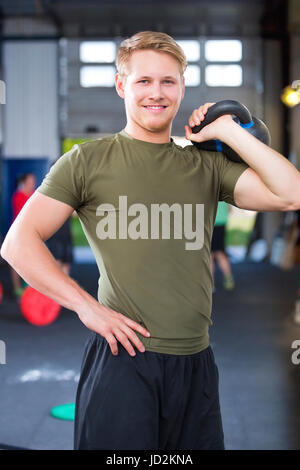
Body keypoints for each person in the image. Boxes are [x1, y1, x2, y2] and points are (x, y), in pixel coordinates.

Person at [1, 31, 300, 450]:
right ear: (122, 85)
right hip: (123, 362)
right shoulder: (86, 162)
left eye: (168, 82)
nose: (156, 93)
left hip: (197, 364)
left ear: (181, 89)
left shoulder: (206, 165)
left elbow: (292, 192)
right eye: (143, 81)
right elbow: (17, 243)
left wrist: (229, 131)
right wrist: (86, 308)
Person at [10, 173, 36, 298]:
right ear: (25, 181)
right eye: (30, 180)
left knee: (31, 262)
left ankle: (28, 288)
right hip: (19, 233)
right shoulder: (18, 195)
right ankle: (17, 289)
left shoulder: (34, 194)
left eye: (34, 181)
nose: (33, 183)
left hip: (32, 234)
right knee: (17, 262)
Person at [211, 201, 235, 292]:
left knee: (211, 254)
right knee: (219, 252)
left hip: (211, 222)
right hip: (221, 222)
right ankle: (228, 278)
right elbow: (230, 209)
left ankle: (211, 283)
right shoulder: (221, 188)